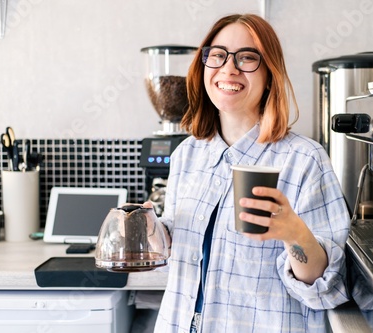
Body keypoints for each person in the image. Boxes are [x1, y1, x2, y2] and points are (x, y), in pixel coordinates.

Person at [152, 13, 351, 333]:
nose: (228, 68)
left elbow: (328, 288)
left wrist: (293, 232)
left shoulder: (304, 161)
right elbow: (184, 255)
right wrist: (152, 230)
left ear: (270, 74)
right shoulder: (186, 155)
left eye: (247, 58)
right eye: (217, 55)